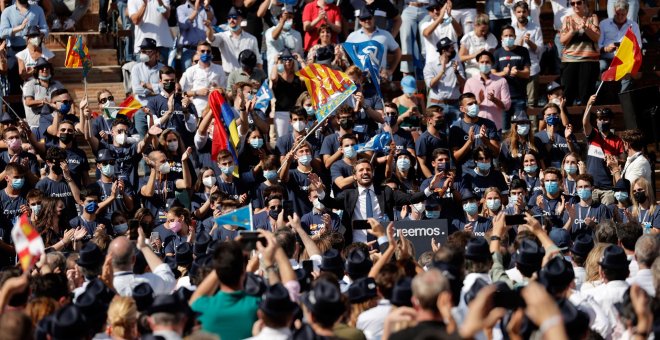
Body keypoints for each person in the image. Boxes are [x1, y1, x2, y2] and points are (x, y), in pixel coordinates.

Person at [315, 159, 441, 244]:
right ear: (354, 176)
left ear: (373, 173)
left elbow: (410, 199)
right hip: (356, 244)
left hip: (383, 242)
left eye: (368, 170)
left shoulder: (385, 191)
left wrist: (429, 188)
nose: (365, 172)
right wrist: (320, 191)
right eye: (361, 170)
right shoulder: (349, 195)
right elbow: (330, 203)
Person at [387, 269, 456, 339]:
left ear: (414, 302)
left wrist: (387, 324)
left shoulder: (399, 337)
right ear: (448, 299)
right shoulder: (455, 335)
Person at [110, 227, 176, 296]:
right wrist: (144, 246)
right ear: (133, 260)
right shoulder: (150, 281)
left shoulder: (105, 285)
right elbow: (168, 280)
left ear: (109, 258)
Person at [582, 96, 623, 205]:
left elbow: (623, 161)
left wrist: (615, 160)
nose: (603, 121)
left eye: (605, 119)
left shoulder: (617, 141)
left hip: (608, 189)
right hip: (592, 187)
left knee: (607, 219)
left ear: (611, 121)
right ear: (596, 121)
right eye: (600, 119)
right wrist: (588, 105)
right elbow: (585, 123)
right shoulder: (593, 135)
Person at [559, 0, 600, 106]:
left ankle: (586, 122)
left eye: (578, 2)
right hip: (570, 60)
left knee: (586, 95)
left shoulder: (592, 17)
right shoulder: (567, 19)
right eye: (572, 3)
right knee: (567, 94)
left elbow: (597, 38)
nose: (575, 5)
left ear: (584, 3)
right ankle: (567, 122)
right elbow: (563, 41)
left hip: (589, 60)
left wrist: (586, 29)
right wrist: (572, 32)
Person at [448, 92, 500, 174]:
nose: (474, 106)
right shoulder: (456, 128)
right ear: (462, 109)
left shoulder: (489, 124)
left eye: (475, 103)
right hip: (466, 174)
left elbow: (496, 153)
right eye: (470, 104)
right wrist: (469, 142)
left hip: (487, 172)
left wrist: (485, 140)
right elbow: (456, 157)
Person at [346, 8, 401, 80]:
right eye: (363, 19)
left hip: (380, 77)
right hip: (359, 78)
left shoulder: (385, 35)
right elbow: (344, 53)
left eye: (369, 18)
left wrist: (390, 71)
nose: (367, 21)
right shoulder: (353, 36)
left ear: (373, 18)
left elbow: (398, 52)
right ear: (359, 21)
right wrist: (351, 70)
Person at [599, 0, 641, 93]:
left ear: (627, 13)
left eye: (623, 14)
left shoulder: (633, 25)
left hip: (624, 59)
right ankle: (605, 96)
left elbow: (639, 45)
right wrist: (606, 48)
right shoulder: (604, 24)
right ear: (614, 11)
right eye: (618, 14)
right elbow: (598, 44)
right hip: (607, 57)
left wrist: (626, 49)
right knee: (601, 66)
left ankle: (622, 97)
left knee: (628, 69)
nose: (620, 17)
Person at [463, 50, 511, 130]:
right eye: (482, 62)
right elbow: (465, 107)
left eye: (487, 62)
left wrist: (494, 99)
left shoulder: (501, 81)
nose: (484, 64)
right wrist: (478, 102)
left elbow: (507, 106)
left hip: (495, 126)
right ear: (478, 63)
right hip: (475, 127)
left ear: (492, 64)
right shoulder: (470, 82)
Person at [204, 7, 260, 75]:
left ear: (241, 19)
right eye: (229, 18)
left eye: (234, 17)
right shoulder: (223, 36)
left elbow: (258, 61)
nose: (231, 20)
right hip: (228, 75)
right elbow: (211, 39)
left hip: (246, 75)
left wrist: (259, 77)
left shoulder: (251, 39)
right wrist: (209, 28)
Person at [424, 38, 465, 125]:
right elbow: (430, 84)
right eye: (451, 47)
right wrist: (442, 70)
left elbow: (463, 84)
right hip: (437, 105)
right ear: (444, 50)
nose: (453, 49)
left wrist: (456, 72)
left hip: (454, 105)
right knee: (438, 133)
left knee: (456, 133)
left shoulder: (457, 64)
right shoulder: (430, 66)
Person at [512, 2, 546, 106]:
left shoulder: (535, 28)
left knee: (531, 103)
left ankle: (533, 123)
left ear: (528, 12)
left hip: (532, 68)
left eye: (524, 11)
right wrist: (519, 44)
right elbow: (508, 49)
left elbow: (540, 50)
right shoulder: (511, 29)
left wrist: (529, 42)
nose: (521, 14)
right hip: (517, 68)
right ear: (514, 13)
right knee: (518, 101)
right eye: (519, 12)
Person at [179, 41, 227, 114]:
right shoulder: (190, 71)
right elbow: (183, 93)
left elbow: (225, 90)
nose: (206, 53)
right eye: (202, 51)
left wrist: (217, 90)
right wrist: (197, 92)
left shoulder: (219, 69)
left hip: (215, 109)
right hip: (197, 109)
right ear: (197, 52)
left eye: (208, 51)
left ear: (211, 53)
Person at [22, 57, 64, 130]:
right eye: (41, 68)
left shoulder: (58, 84)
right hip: (37, 124)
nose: (45, 69)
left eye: (47, 67)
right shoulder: (30, 84)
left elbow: (66, 99)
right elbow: (28, 102)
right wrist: (43, 102)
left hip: (55, 122)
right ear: (37, 71)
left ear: (50, 70)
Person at [535, 103, 579, 168]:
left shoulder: (567, 134)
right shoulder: (538, 137)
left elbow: (576, 155)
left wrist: (568, 139)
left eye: (555, 114)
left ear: (559, 115)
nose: (552, 117)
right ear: (544, 117)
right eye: (549, 115)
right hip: (548, 173)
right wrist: (550, 142)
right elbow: (540, 158)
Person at [265, 5, 304, 75]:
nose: (287, 19)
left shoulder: (297, 34)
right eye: (285, 17)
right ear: (279, 17)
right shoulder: (270, 31)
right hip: (276, 74)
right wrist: (282, 22)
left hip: (292, 74)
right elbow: (273, 37)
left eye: (290, 17)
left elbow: (300, 55)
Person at [176, 0, 215, 70]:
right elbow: (183, 25)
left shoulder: (207, 8)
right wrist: (196, 10)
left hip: (204, 50)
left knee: (206, 75)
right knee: (188, 76)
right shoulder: (181, 8)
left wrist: (206, 7)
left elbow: (212, 22)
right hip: (189, 50)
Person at [130, 38, 165, 111]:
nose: (143, 54)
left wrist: (147, 85)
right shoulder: (136, 68)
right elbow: (136, 89)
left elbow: (165, 88)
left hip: (158, 106)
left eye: (147, 51)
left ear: (156, 53)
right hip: (141, 106)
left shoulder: (163, 68)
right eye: (142, 51)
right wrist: (156, 90)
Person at [458, 14, 497, 78]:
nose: (484, 33)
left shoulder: (491, 37)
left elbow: (493, 56)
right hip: (472, 68)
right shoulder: (468, 37)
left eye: (486, 30)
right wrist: (475, 55)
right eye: (482, 30)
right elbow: (460, 57)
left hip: (487, 66)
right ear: (475, 26)